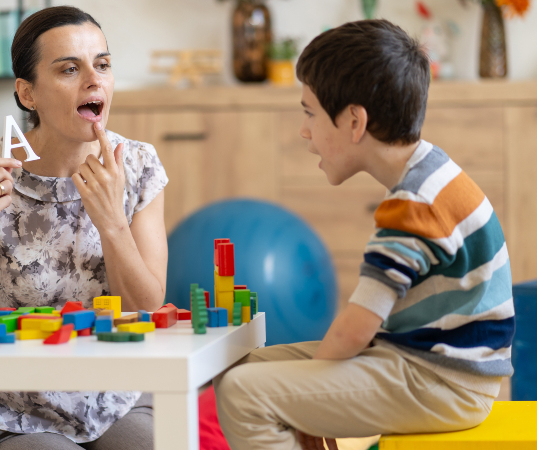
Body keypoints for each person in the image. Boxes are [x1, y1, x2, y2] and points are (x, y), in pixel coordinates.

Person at [213, 19, 514, 450]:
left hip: (443, 383)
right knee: (241, 367)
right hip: (424, 361)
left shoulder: (413, 207)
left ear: (354, 121)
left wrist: (306, 392)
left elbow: (356, 328)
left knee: (244, 393)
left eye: (309, 113)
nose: (304, 131)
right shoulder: (431, 171)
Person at [0, 6, 168, 450]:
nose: (94, 80)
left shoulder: (138, 167)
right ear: (27, 94)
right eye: (70, 68)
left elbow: (144, 308)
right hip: (12, 409)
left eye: (102, 65)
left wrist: (112, 224)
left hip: (116, 397)